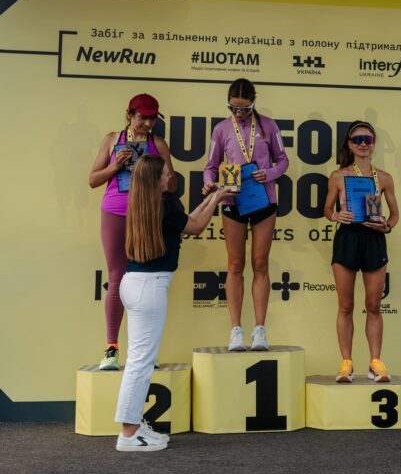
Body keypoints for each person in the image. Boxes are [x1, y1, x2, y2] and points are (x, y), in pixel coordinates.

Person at [115, 154, 230, 451]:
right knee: (141, 363)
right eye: (166, 173)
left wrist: (212, 197)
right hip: (149, 287)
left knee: (139, 360)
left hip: (136, 284)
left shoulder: (151, 204)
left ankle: (134, 425)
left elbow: (188, 221)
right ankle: (128, 433)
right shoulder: (163, 205)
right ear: (155, 179)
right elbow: (197, 227)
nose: (170, 176)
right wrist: (217, 200)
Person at [89, 94, 177, 370]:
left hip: (147, 215)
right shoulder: (111, 139)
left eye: (152, 118)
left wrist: (155, 172)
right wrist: (115, 166)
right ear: (130, 114)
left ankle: (145, 349)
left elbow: (173, 185)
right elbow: (93, 180)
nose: (148, 123)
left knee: (146, 280)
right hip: (115, 211)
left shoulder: (158, 144)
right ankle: (111, 349)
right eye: (143, 117)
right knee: (117, 277)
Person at [203, 78, 289, 352]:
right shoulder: (221, 129)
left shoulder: (269, 126)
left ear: (253, 103)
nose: (238, 113)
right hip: (233, 198)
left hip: (263, 198)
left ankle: (260, 330)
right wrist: (209, 183)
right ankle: (236, 331)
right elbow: (210, 166)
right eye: (233, 108)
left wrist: (270, 173)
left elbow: (283, 160)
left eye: (244, 109)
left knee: (260, 263)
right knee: (235, 264)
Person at [323, 120, 399, 383]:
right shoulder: (338, 176)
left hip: (374, 239)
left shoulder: (384, 178)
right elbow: (327, 209)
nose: (363, 144)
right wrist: (336, 215)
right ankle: (346, 362)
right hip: (347, 238)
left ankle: (375, 362)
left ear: (374, 144)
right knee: (345, 305)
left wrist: (386, 226)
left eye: (368, 139)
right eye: (358, 140)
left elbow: (395, 214)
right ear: (350, 144)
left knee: (374, 305)